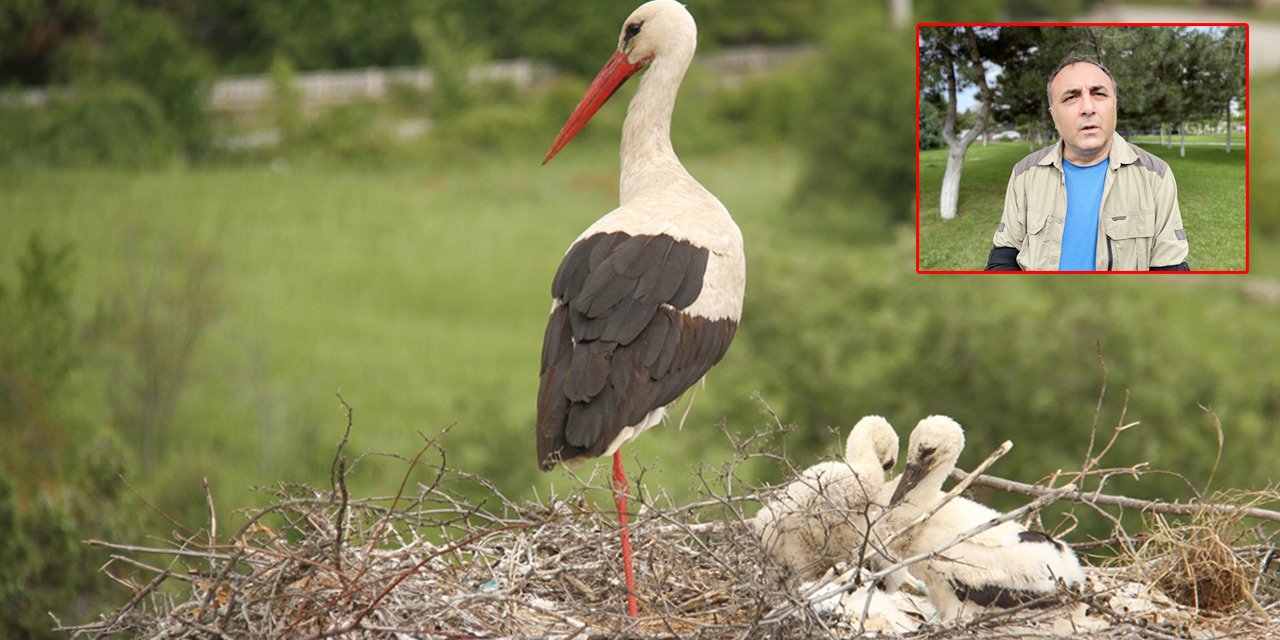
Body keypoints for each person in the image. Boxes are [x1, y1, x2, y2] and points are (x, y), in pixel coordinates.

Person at [985, 56, 1189, 271]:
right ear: (1054, 116)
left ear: (1115, 106)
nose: (1088, 108)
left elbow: (1170, 268)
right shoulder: (1024, 174)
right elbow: (1005, 255)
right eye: (1071, 97)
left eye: (1099, 94)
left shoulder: (1155, 176)